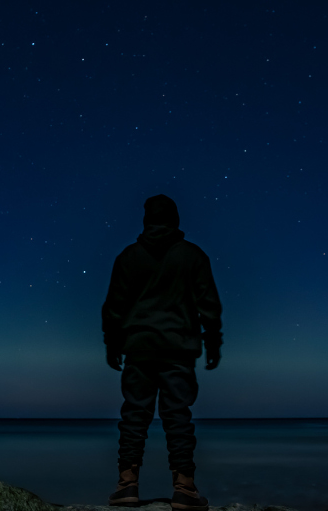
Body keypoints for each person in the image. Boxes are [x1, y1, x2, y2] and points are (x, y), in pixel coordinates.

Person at [102, 194, 223, 510]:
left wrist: (112, 344)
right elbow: (208, 305)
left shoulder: (128, 257)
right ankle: (184, 489)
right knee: (177, 415)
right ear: (176, 220)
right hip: (178, 348)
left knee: (134, 414)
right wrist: (213, 343)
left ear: (146, 221)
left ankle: (127, 485)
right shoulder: (193, 256)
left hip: (139, 347)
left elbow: (114, 307)